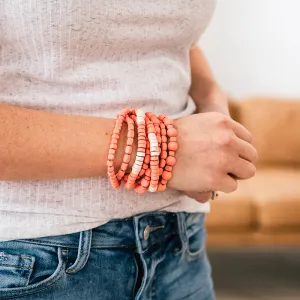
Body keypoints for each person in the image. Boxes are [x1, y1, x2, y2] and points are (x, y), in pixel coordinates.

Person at [0, 0, 257, 299]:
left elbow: (179, 42)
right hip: (35, 257)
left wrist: (212, 101)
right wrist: (164, 152)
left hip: (182, 240)